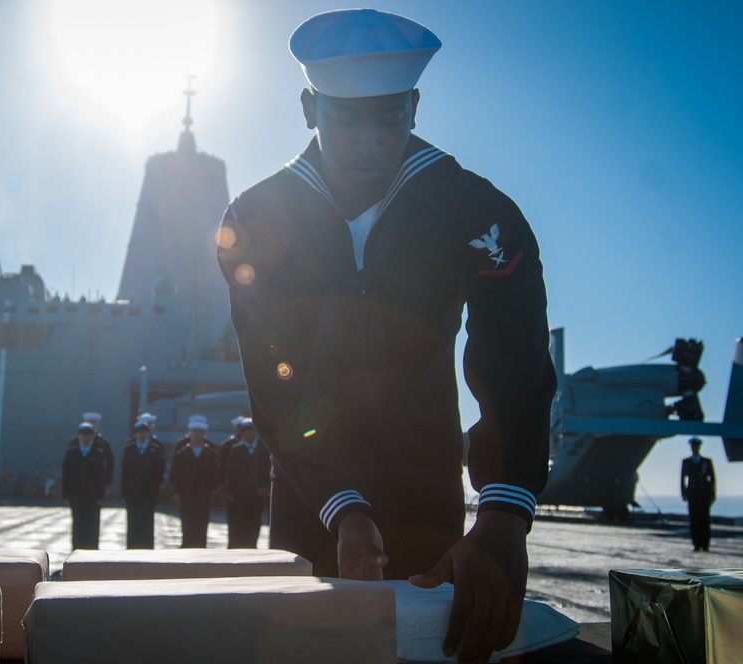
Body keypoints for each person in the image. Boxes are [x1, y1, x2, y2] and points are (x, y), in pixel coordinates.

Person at [216, 9, 555, 663]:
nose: (371, 142)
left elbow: (514, 357)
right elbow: (276, 376)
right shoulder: (255, 220)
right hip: (311, 496)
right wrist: (342, 505)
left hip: (426, 491)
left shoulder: (478, 213)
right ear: (309, 108)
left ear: (416, 106)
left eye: (390, 118)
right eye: (348, 120)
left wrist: (506, 512)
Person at [169, 418, 219, 548]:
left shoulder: (211, 454)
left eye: (200, 432)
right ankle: (187, 548)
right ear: (189, 434)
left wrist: (213, 492)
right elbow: (175, 475)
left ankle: (201, 549)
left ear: (204, 434)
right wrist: (176, 493)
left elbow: (215, 475)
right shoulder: (182, 453)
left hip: (203, 496)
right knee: (187, 524)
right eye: (194, 432)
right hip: (186, 496)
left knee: (202, 525)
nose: (197, 435)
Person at [61, 422, 109, 550]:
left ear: (92, 437)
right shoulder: (72, 452)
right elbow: (66, 473)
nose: (85, 438)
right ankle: (76, 552)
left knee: (91, 526)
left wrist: (100, 495)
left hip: (92, 497)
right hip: (76, 496)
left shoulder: (98, 454)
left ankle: (91, 554)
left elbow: (101, 477)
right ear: (78, 437)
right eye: (83, 435)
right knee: (77, 525)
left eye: (88, 435)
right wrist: (66, 493)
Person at [225, 418, 271, 548]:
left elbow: (266, 469)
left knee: (255, 521)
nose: (251, 434)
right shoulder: (236, 449)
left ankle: (252, 545)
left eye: (253, 431)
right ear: (243, 432)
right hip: (240, 493)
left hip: (257, 493)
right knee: (240, 521)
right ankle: (239, 545)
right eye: (248, 431)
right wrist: (230, 491)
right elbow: (231, 471)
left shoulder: (263, 450)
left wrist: (265, 487)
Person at [121, 421, 166, 549]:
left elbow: (159, 471)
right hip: (132, 492)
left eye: (144, 432)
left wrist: (157, 491)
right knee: (133, 521)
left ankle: (147, 547)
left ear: (148, 433)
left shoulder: (154, 449)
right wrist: (124, 492)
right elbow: (125, 471)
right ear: (135, 434)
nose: (142, 435)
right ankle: (132, 547)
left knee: (147, 522)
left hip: (149, 493)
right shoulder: (129, 449)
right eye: (139, 432)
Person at [681, 437, 716, 552]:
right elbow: (683, 479)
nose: (694, 448)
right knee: (694, 519)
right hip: (693, 494)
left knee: (704, 520)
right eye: (693, 446)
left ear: (699, 447)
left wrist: (712, 493)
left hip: (703, 494)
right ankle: (696, 544)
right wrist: (684, 493)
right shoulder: (686, 462)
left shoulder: (706, 461)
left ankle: (705, 545)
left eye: (696, 446)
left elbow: (712, 479)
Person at [83, 411, 115, 494]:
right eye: (89, 423)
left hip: (97, 484)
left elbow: (110, 463)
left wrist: (107, 483)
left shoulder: (103, 443)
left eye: (94, 423)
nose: (92, 425)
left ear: (98, 424)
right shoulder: (76, 441)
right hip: (80, 483)